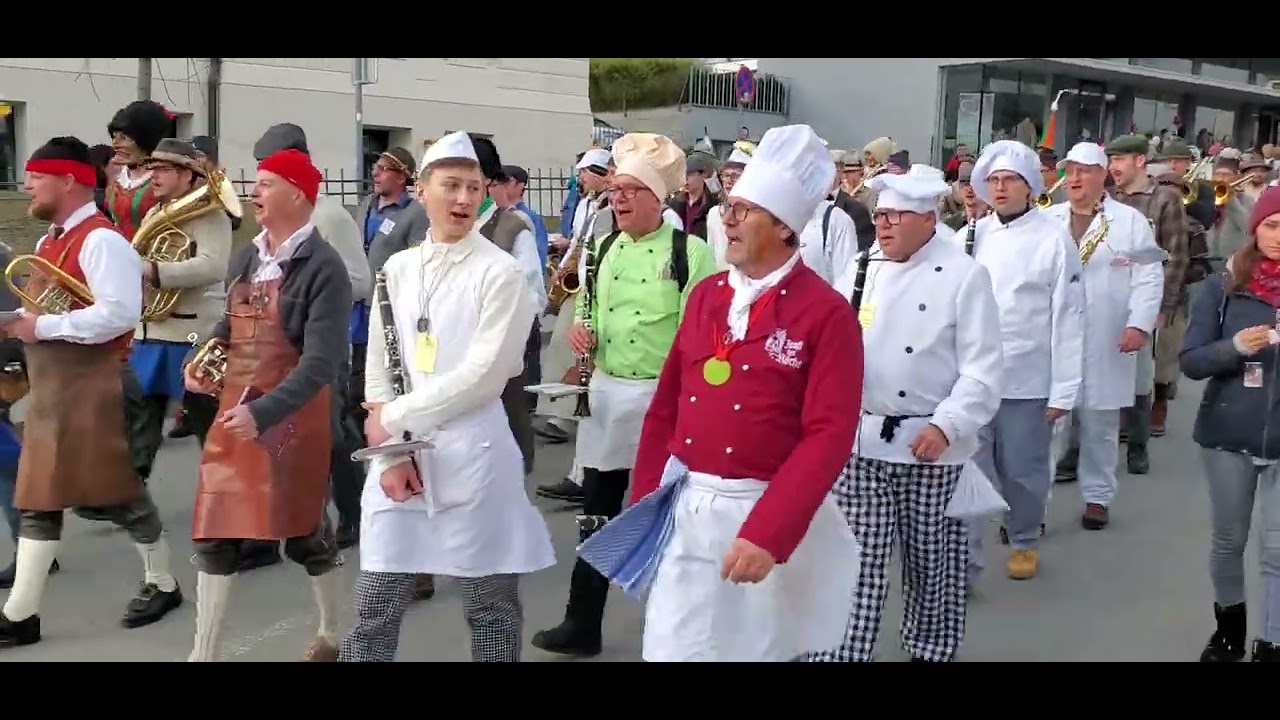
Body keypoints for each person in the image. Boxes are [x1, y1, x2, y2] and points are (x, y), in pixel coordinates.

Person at [628, 124, 864, 661]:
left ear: (785, 228)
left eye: (744, 210)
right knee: (670, 649)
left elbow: (828, 435)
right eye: (728, 206)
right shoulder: (708, 295)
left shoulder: (825, 313)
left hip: (757, 510)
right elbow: (666, 407)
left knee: (752, 650)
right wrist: (645, 501)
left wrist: (770, 531)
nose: (726, 218)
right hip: (684, 504)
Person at [338, 132, 554, 662]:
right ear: (422, 189)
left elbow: (487, 374)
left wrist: (392, 418)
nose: (462, 199)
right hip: (398, 455)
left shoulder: (501, 273)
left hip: (474, 455)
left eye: (474, 187)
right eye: (450, 185)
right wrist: (389, 450)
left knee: (490, 608)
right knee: (376, 607)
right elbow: (380, 363)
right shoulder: (399, 268)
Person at [531, 133, 717, 657]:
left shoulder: (692, 252)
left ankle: (678, 630)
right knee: (596, 510)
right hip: (608, 394)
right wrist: (580, 332)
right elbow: (587, 303)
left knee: (668, 519)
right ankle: (581, 621)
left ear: (660, 198)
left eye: (633, 189)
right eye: (616, 188)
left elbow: (702, 335)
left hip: (666, 398)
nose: (620, 198)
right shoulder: (605, 246)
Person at [0, 137, 184, 649]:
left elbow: (120, 314)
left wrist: (43, 325)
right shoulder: (46, 243)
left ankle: (164, 583)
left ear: (68, 181)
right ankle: (21, 614)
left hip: (96, 382)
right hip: (56, 386)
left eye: (37, 175)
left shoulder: (102, 241)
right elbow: (42, 314)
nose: (28, 184)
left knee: (119, 495)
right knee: (41, 498)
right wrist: (16, 323)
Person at [820, 160, 1003, 663]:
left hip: (930, 449)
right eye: (880, 214)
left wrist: (948, 425)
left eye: (897, 216)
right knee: (857, 561)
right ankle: (842, 653)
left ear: (928, 219)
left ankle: (931, 650)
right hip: (860, 443)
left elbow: (983, 370)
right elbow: (829, 345)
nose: (883, 224)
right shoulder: (860, 267)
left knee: (932, 565)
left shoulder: (966, 276)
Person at [181, 148, 351, 662]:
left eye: (266, 183)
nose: (253, 193)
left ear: (297, 194)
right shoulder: (248, 255)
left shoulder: (325, 267)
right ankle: (202, 656)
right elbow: (229, 324)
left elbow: (320, 363)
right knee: (216, 534)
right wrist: (204, 359)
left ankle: (332, 635)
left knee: (305, 538)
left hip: (291, 420)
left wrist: (264, 413)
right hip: (236, 413)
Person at [962, 141, 1083, 583]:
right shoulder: (971, 236)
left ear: (1030, 187)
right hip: (974, 377)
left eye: (1009, 180)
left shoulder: (1053, 239)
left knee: (1023, 471)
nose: (999, 188)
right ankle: (966, 558)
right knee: (967, 471)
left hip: (1028, 378)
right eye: (993, 180)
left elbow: (1069, 315)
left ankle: (1025, 537)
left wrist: (1064, 388)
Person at [1181, 185, 1280, 663]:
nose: (1279, 236)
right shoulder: (1226, 283)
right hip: (1228, 436)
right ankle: (1229, 632)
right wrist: (1235, 348)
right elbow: (1192, 361)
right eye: (1273, 225)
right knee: (1229, 540)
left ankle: (1271, 641)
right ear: (1256, 228)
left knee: (1278, 551)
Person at [1042, 143, 1164, 530]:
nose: (1074, 179)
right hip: (1053, 338)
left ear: (1102, 176)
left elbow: (1149, 277)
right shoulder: (1046, 220)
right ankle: (1032, 506)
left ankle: (1097, 497)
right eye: (1070, 171)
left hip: (1106, 337)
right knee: (1047, 426)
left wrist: (1139, 323)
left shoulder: (1131, 221)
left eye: (1084, 171)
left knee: (1100, 423)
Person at [127, 138, 231, 472]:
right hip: (151, 331)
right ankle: (129, 499)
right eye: (152, 168)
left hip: (190, 333)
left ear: (187, 175)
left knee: (205, 421)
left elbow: (213, 266)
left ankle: (226, 493)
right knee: (141, 421)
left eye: (164, 169)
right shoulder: (156, 212)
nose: (153, 175)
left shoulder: (211, 213)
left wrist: (155, 271)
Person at [1107, 134, 1190, 473]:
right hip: (1109, 298)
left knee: (1142, 379)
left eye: (1120, 160)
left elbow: (1176, 257)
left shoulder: (1164, 199)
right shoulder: (1107, 198)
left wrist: (1161, 308)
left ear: (1140, 160)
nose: (1113, 167)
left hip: (1144, 301)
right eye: (1111, 161)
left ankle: (1137, 447)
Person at [104, 100, 170, 240]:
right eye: (114, 136)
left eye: (125, 138)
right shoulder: (115, 173)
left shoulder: (163, 177)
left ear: (146, 141)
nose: (115, 144)